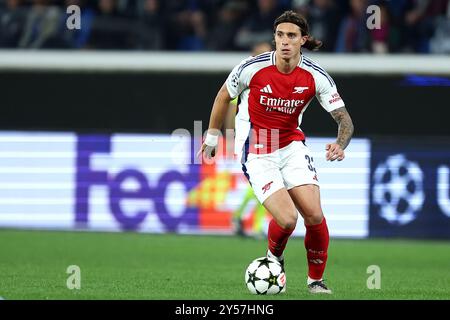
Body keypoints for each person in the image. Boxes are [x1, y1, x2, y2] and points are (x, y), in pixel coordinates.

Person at [197, 10, 354, 294]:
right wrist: (211, 137)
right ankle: (274, 259)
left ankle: (315, 281)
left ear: (303, 40)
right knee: (287, 219)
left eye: (292, 36)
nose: (284, 41)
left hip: (291, 145)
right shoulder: (252, 67)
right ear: (274, 38)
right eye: (280, 35)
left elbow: (344, 118)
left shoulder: (315, 76)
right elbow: (223, 95)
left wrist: (340, 144)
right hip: (257, 149)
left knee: (315, 216)